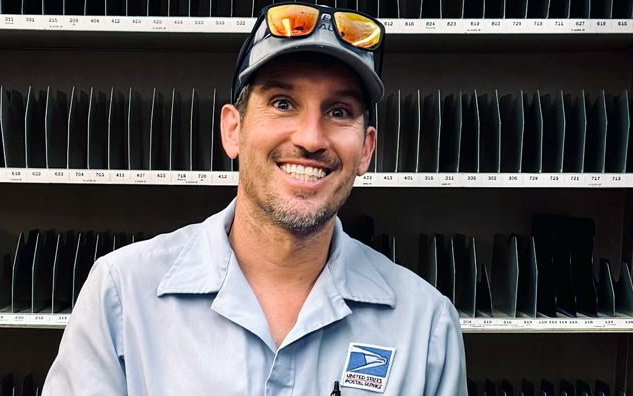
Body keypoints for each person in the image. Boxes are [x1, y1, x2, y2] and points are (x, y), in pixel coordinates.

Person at [43, 3, 467, 395]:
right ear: (233, 131)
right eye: (283, 103)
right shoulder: (121, 296)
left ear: (367, 150)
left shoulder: (426, 326)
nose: (310, 138)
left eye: (339, 112)